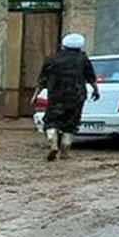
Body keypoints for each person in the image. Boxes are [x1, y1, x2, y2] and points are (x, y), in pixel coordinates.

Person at [35, 33, 100, 161]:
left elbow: (42, 79)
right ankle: (65, 150)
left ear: (63, 45)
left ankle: (53, 143)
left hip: (56, 96)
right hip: (76, 95)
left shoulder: (51, 59)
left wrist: (35, 95)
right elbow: (91, 77)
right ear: (80, 46)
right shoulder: (83, 59)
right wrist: (96, 90)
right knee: (71, 122)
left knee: (51, 121)